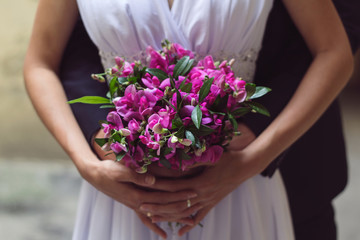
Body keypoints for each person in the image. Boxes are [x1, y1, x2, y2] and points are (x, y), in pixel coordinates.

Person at [23, 0, 354, 240]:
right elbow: (41, 61)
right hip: (122, 190)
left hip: (236, 182)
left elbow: (333, 51)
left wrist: (252, 160)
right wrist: (87, 164)